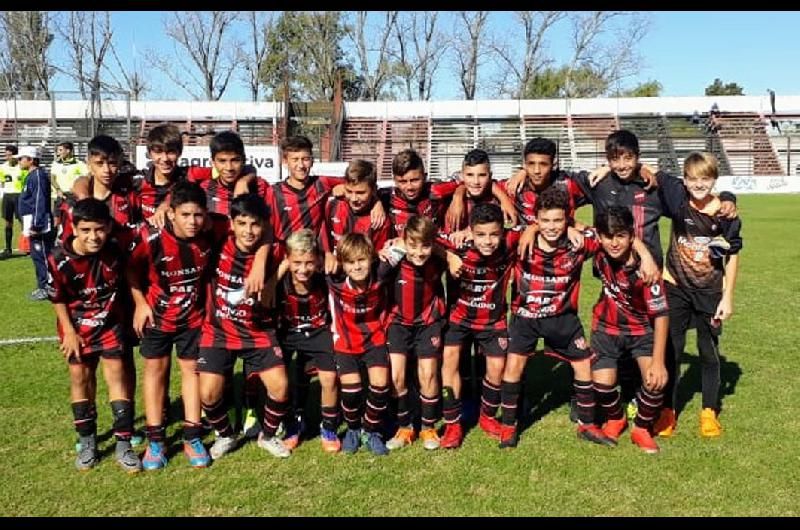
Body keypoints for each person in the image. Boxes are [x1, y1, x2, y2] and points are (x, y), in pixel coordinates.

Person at [501, 187, 630, 448]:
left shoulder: (579, 242)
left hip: (563, 318)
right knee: (513, 367)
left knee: (583, 366)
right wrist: (530, 229)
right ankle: (508, 427)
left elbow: (614, 236)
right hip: (525, 317)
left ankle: (587, 425)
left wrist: (646, 256)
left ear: (567, 219)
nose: (551, 226)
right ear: (536, 219)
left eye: (558, 220)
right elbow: (484, 236)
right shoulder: (519, 238)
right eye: (545, 220)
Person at [127, 181, 229, 470]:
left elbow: (254, 225)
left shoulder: (212, 229)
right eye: (185, 215)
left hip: (193, 318)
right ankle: (156, 441)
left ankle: (192, 436)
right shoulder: (150, 237)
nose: (192, 221)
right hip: (157, 317)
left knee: (191, 372)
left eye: (198, 215)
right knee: (155, 372)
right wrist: (140, 303)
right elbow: (130, 269)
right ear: (171, 213)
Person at [46, 198, 141, 473]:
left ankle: (124, 444)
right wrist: (69, 332)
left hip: (110, 325)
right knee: (80, 378)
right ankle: (88, 441)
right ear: (74, 228)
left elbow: (131, 272)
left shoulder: (115, 250)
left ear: (108, 227)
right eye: (86, 230)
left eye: (99, 229)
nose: (93, 236)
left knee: (117, 377)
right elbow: (57, 298)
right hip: (77, 328)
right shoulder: (58, 259)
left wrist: (141, 303)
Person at [652, 152, 742, 438]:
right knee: (672, 350)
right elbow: (649, 171)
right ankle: (667, 411)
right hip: (675, 288)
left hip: (710, 292)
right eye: (692, 179)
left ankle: (709, 411)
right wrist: (607, 169)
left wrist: (727, 297)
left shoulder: (725, 214)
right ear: (685, 180)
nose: (698, 184)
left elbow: (732, 256)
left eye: (705, 179)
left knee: (708, 352)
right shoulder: (678, 199)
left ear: (714, 179)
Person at [198, 194, 293, 460]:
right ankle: (225, 435)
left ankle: (268, 435)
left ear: (264, 226)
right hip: (219, 330)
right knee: (207, 392)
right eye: (242, 223)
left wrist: (272, 279)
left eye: (255, 224)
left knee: (280, 386)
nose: (248, 231)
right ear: (232, 224)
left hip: (258, 331)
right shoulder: (218, 241)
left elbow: (297, 253)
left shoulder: (274, 249)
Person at [438, 203, 528, 449]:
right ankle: (452, 424)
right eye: (480, 234)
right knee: (450, 362)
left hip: (492, 320)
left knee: (497, 368)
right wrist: (448, 255)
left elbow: (535, 226)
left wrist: (531, 229)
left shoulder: (510, 242)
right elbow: (423, 236)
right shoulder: (457, 243)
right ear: (471, 231)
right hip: (458, 319)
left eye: (494, 234)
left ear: (503, 231)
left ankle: (487, 416)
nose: (488, 241)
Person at [590, 206, 669, 454]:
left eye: (621, 236)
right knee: (601, 384)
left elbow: (661, 315)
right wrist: (532, 230)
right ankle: (616, 418)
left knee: (655, 381)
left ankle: (642, 428)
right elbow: (565, 226)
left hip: (640, 332)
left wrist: (659, 362)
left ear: (631, 236)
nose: (614, 243)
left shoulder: (647, 272)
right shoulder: (598, 251)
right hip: (605, 329)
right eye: (608, 237)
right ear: (599, 236)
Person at [380, 215, 451, 451]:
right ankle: (405, 427)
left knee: (428, 374)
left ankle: (428, 427)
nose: (419, 252)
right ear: (404, 241)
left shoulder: (437, 258)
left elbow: (454, 249)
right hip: (398, 323)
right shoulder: (395, 257)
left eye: (426, 246)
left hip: (428, 323)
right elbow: (377, 275)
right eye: (413, 245)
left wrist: (448, 255)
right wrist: (393, 249)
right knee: (396, 377)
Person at [272, 229, 341, 453]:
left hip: (319, 332)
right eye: (297, 263)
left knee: (329, 378)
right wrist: (282, 269)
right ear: (287, 260)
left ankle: (328, 427)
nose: (303, 269)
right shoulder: (280, 281)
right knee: (281, 379)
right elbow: (263, 294)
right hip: (288, 333)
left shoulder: (324, 278)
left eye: (309, 263)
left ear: (318, 260)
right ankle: (293, 423)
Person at [327, 233, 394, 456]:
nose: (357, 267)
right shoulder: (334, 278)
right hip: (345, 343)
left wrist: (392, 245)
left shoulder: (381, 272)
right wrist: (326, 255)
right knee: (351, 391)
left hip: (374, 339)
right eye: (350, 262)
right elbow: (308, 255)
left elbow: (407, 243)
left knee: (380, 385)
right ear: (342, 264)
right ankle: (353, 429)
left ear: (371, 258)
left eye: (361, 260)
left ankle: (370, 430)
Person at [321, 159, 391, 273]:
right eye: (349, 191)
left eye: (360, 193)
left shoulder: (379, 220)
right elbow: (322, 233)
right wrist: (327, 253)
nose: (354, 199)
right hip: (333, 275)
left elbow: (379, 256)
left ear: (373, 190)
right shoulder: (333, 204)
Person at [378, 148, 461, 235]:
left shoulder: (435, 190)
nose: (409, 187)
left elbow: (464, 179)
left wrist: (458, 196)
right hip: (401, 243)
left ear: (424, 177)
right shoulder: (386, 197)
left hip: (433, 242)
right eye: (402, 182)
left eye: (415, 180)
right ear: (395, 181)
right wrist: (377, 203)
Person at [17, 146, 53, 301]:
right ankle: (42, 286)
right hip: (31, 220)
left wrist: (37, 224)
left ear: (31, 160)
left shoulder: (38, 176)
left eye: (21, 158)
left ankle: (47, 288)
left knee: (43, 255)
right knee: (37, 255)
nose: (19, 161)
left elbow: (40, 201)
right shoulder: (32, 176)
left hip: (37, 222)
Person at [50, 141, 88, 233]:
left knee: (69, 218)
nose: (58, 153)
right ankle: (56, 239)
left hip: (72, 196)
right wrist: (58, 189)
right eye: (57, 150)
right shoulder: (56, 163)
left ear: (68, 151)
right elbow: (52, 178)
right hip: (58, 195)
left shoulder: (79, 164)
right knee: (56, 219)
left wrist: (78, 189)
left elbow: (87, 177)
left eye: (60, 150)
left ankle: (70, 235)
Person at [0, 145, 26, 259]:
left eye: (9, 155)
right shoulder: (2, 167)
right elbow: (2, 182)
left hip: (20, 196)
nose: (7, 157)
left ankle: (27, 247)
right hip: (7, 196)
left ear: (15, 155)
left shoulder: (22, 167)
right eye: (6, 155)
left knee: (23, 222)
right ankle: (8, 249)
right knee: (7, 223)